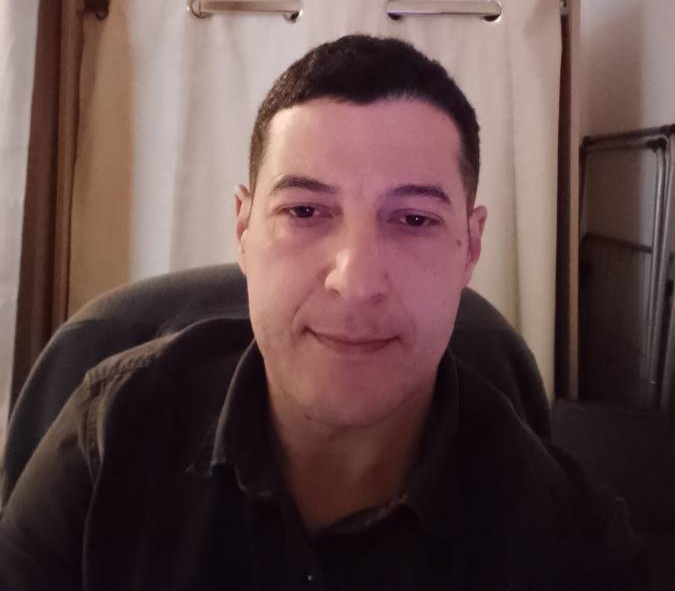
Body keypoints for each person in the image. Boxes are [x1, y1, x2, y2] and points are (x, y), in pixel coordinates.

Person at [0, 35, 646, 589]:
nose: (355, 280)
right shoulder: (110, 436)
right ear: (244, 229)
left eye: (414, 219)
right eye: (305, 211)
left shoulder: (572, 543)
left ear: (470, 246)